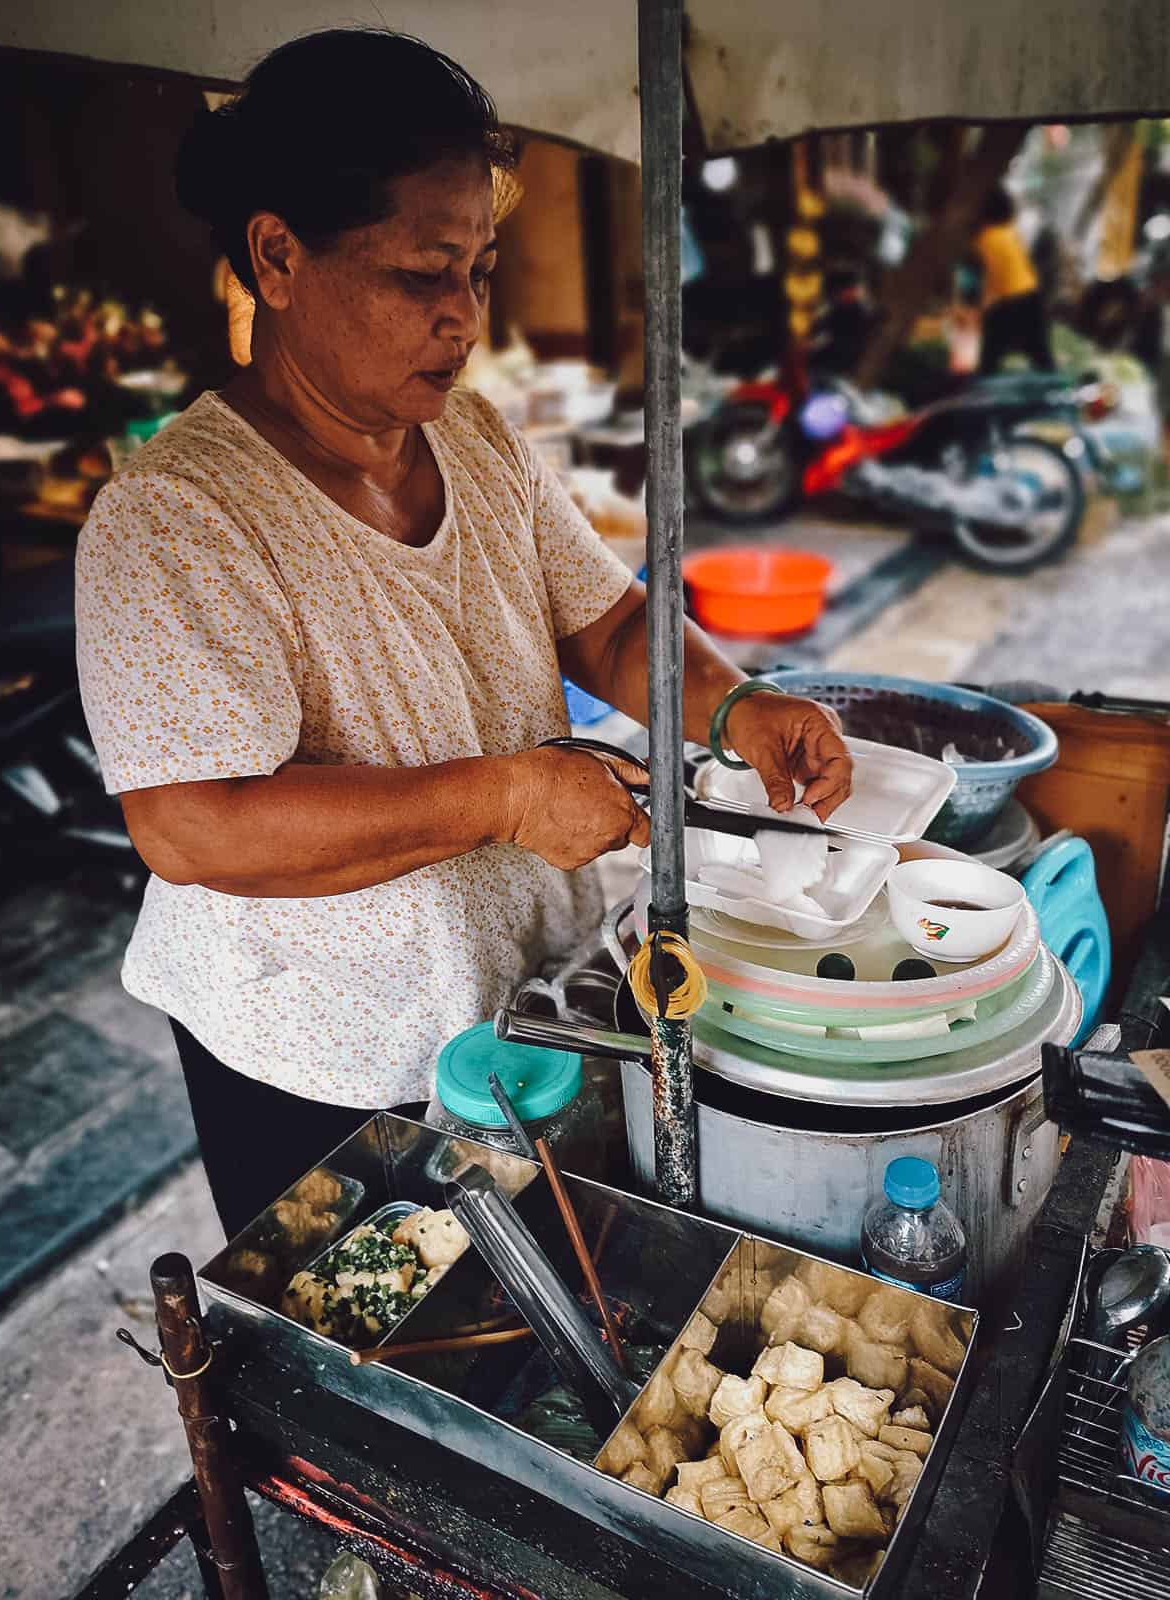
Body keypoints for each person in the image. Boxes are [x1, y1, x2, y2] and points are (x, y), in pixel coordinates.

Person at [74, 29, 852, 1238]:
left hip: (515, 1013)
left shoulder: (475, 437)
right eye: (421, 274)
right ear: (278, 255)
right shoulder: (177, 517)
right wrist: (504, 796)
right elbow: (189, 821)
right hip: (322, 1065)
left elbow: (611, 625)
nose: (465, 318)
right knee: (363, 1372)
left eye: (481, 270)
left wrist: (738, 706)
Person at [973, 185, 1055, 376]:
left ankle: (983, 383)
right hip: (1028, 295)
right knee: (1038, 351)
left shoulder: (984, 239)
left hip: (1012, 299)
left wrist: (982, 307)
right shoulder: (1008, 232)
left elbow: (991, 278)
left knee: (993, 351)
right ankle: (1052, 384)